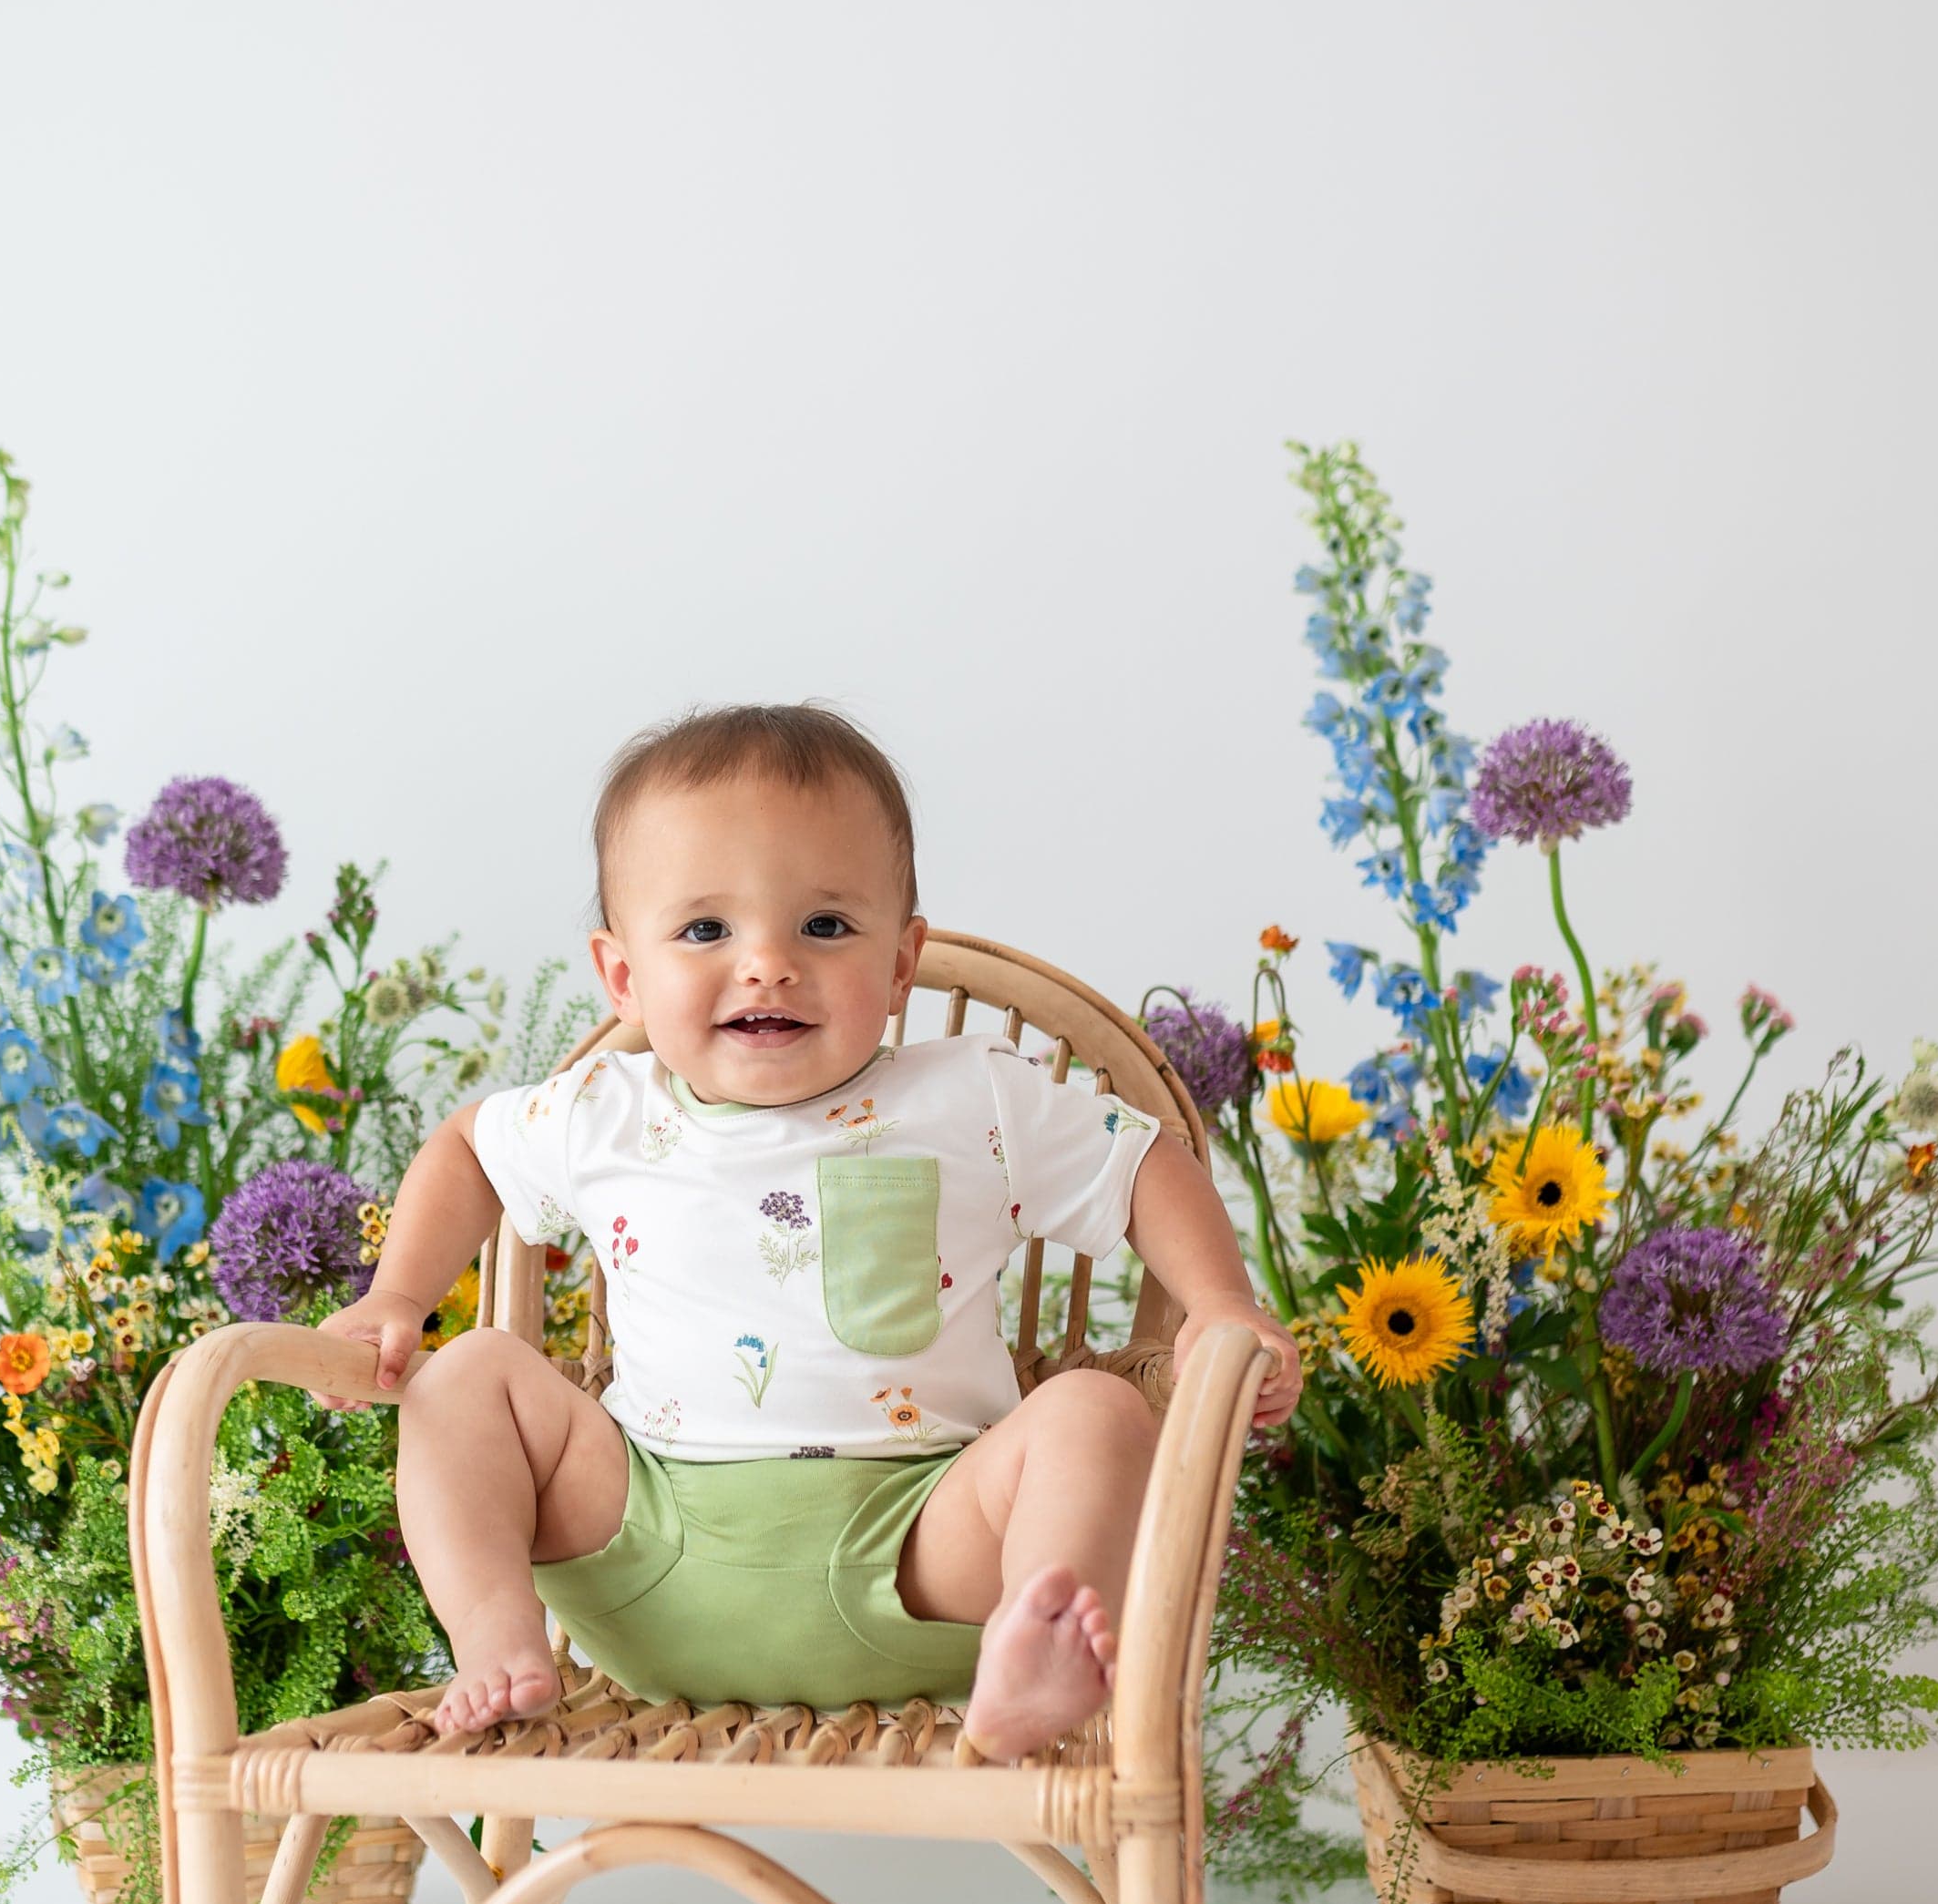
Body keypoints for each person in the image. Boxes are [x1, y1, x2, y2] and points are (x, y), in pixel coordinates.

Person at [313, 704, 1300, 1761]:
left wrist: (1220, 1303)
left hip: (921, 1555)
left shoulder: (974, 1097)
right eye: (705, 930)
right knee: (463, 1378)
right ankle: (498, 1641)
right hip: (650, 1547)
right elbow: (466, 1147)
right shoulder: (609, 1109)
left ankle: (1035, 1645)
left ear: (903, 960)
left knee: (1096, 1415)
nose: (767, 964)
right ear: (624, 977)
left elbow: (1145, 1162)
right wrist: (398, 1296)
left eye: (826, 927)